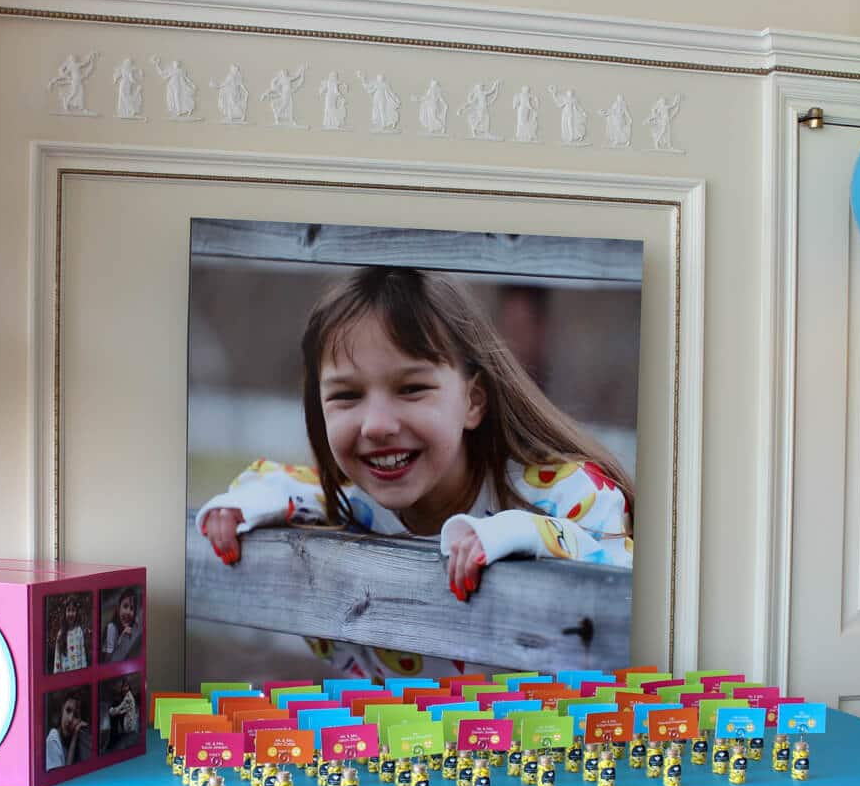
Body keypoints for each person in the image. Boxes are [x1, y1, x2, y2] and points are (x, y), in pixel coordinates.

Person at [196, 266, 633, 678]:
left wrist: (521, 533)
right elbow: (284, 486)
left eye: (412, 389)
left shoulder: (565, 492)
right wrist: (242, 510)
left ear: (473, 401)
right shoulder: (349, 503)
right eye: (347, 395)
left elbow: (623, 572)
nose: (378, 424)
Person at [46, 693, 90, 771]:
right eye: (68, 710)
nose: (70, 719)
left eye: (76, 715)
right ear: (62, 709)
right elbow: (63, 776)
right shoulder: (53, 739)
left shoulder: (74, 740)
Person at [101, 589, 142, 663]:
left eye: (132, 608)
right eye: (125, 606)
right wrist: (122, 636)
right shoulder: (111, 628)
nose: (128, 612)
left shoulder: (127, 624)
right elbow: (107, 660)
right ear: (118, 608)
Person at [52, 595, 88, 673]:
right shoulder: (61, 633)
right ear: (64, 613)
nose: (71, 614)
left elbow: (83, 654)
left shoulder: (79, 631)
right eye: (68, 610)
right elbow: (57, 658)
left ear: (76, 612)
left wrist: (85, 673)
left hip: (78, 674)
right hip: (65, 676)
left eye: (73, 610)